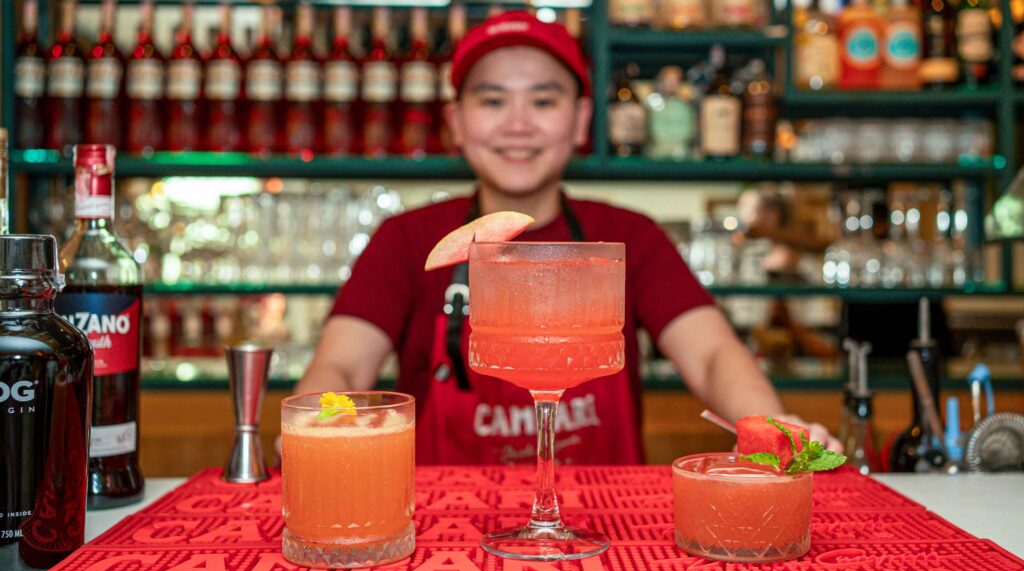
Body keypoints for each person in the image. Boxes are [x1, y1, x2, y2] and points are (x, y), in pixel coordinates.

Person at [296, 11, 840, 465]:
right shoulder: (407, 241)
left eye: (544, 100)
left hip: (601, 528)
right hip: (446, 524)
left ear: (581, 120)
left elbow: (713, 354)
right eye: (491, 101)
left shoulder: (628, 236)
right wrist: (320, 427)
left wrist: (770, 430)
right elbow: (343, 365)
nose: (517, 124)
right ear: (455, 122)